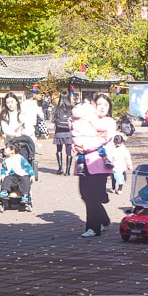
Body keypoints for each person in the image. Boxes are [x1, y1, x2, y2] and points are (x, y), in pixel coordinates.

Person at [72, 92, 116, 237]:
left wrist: (84, 147)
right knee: (84, 193)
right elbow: (76, 135)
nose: (102, 107)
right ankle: (103, 219)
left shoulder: (108, 122)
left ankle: (93, 228)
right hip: (83, 163)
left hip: (99, 164)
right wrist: (76, 146)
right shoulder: (86, 119)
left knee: (92, 196)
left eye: (105, 104)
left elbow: (102, 139)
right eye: (99, 104)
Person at [53, 92, 74, 174]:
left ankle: (60, 168)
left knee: (59, 150)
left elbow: (53, 120)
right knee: (68, 151)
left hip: (59, 132)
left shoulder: (57, 108)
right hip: (68, 132)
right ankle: (68, 170)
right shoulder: (71, 108)